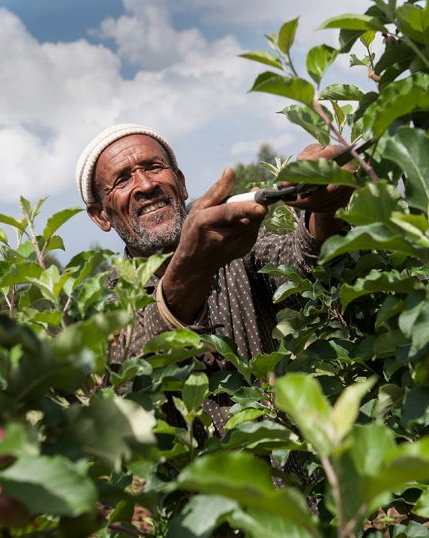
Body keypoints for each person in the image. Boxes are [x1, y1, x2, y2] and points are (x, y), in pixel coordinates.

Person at [76, 123, 353, 433]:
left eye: (154, 167)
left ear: (181, 184)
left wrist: (326, 210)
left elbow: (303, 261)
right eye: (122, 180)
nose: (145, 184)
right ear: (100, 215)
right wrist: (189, 272)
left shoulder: (232, 248)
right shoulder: (104, 309)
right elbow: (124, 385)